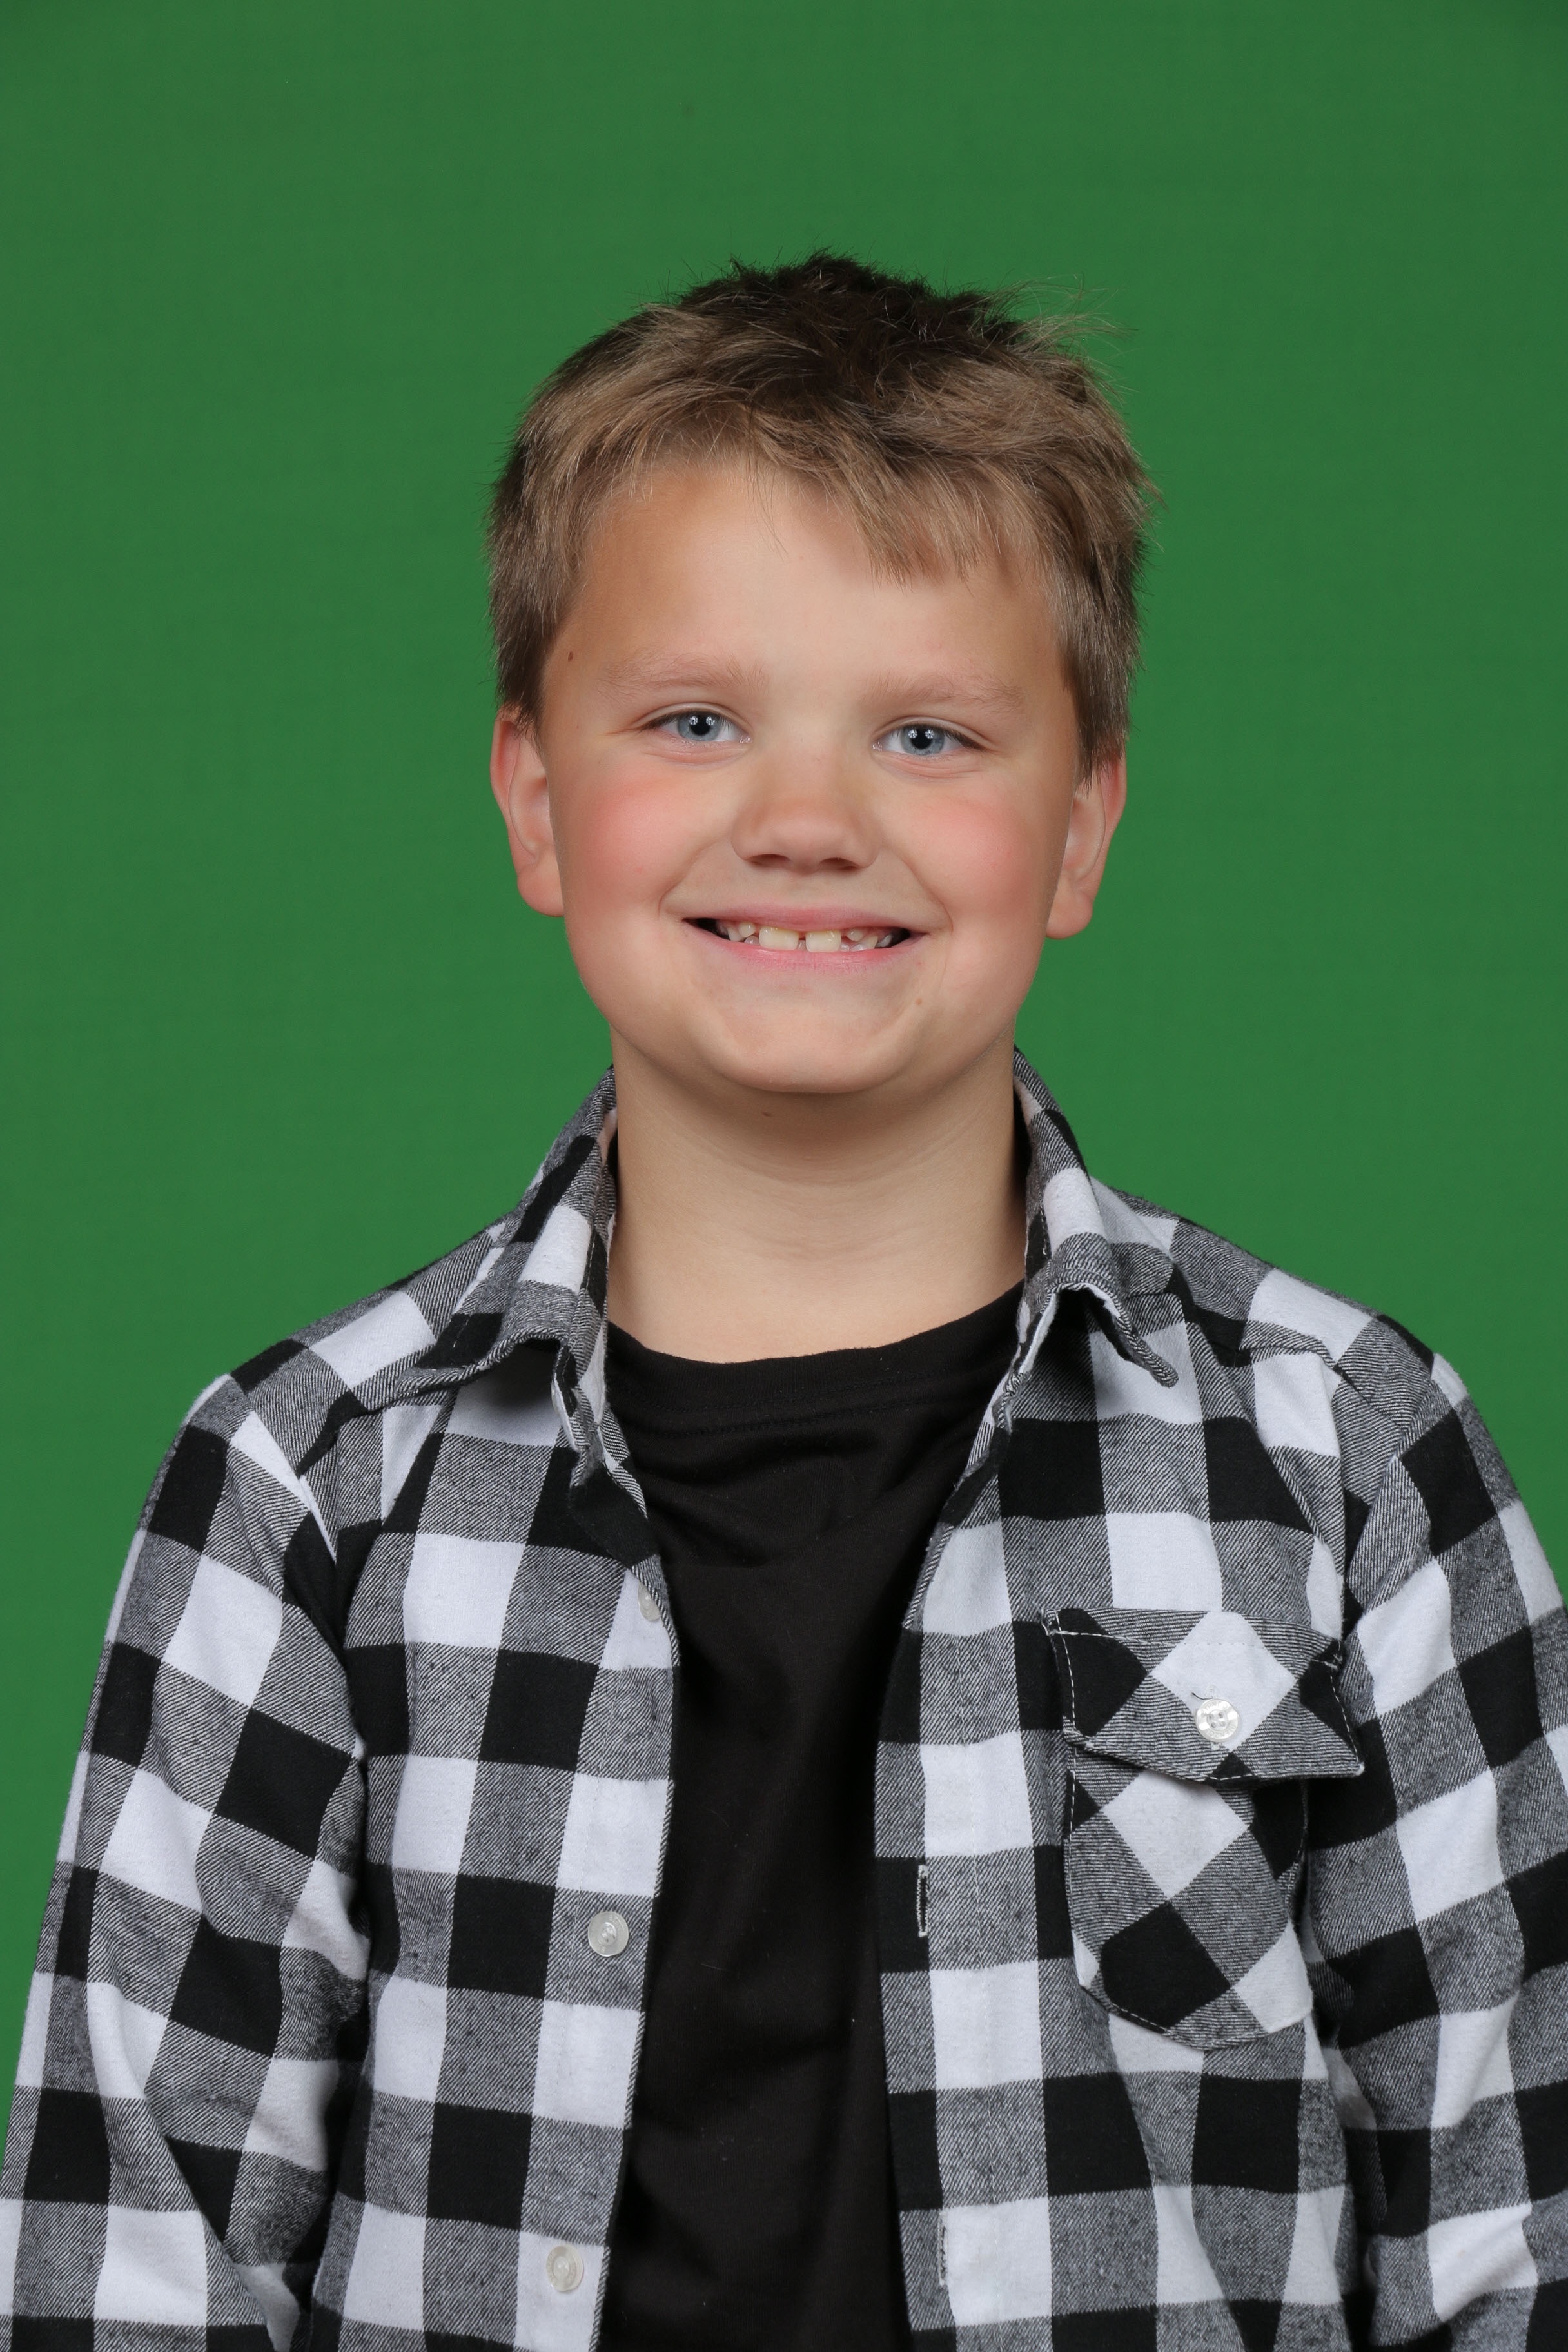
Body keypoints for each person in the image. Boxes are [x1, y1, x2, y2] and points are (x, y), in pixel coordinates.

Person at [3, 255, 1564, 2352]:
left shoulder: (1349, 1458)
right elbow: (134, 2262)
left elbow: (1517, 2234)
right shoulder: (304, 1490)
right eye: (696, 720)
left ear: (1080, 824)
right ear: (537, 802)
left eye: (928, 732)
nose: (810, 821)